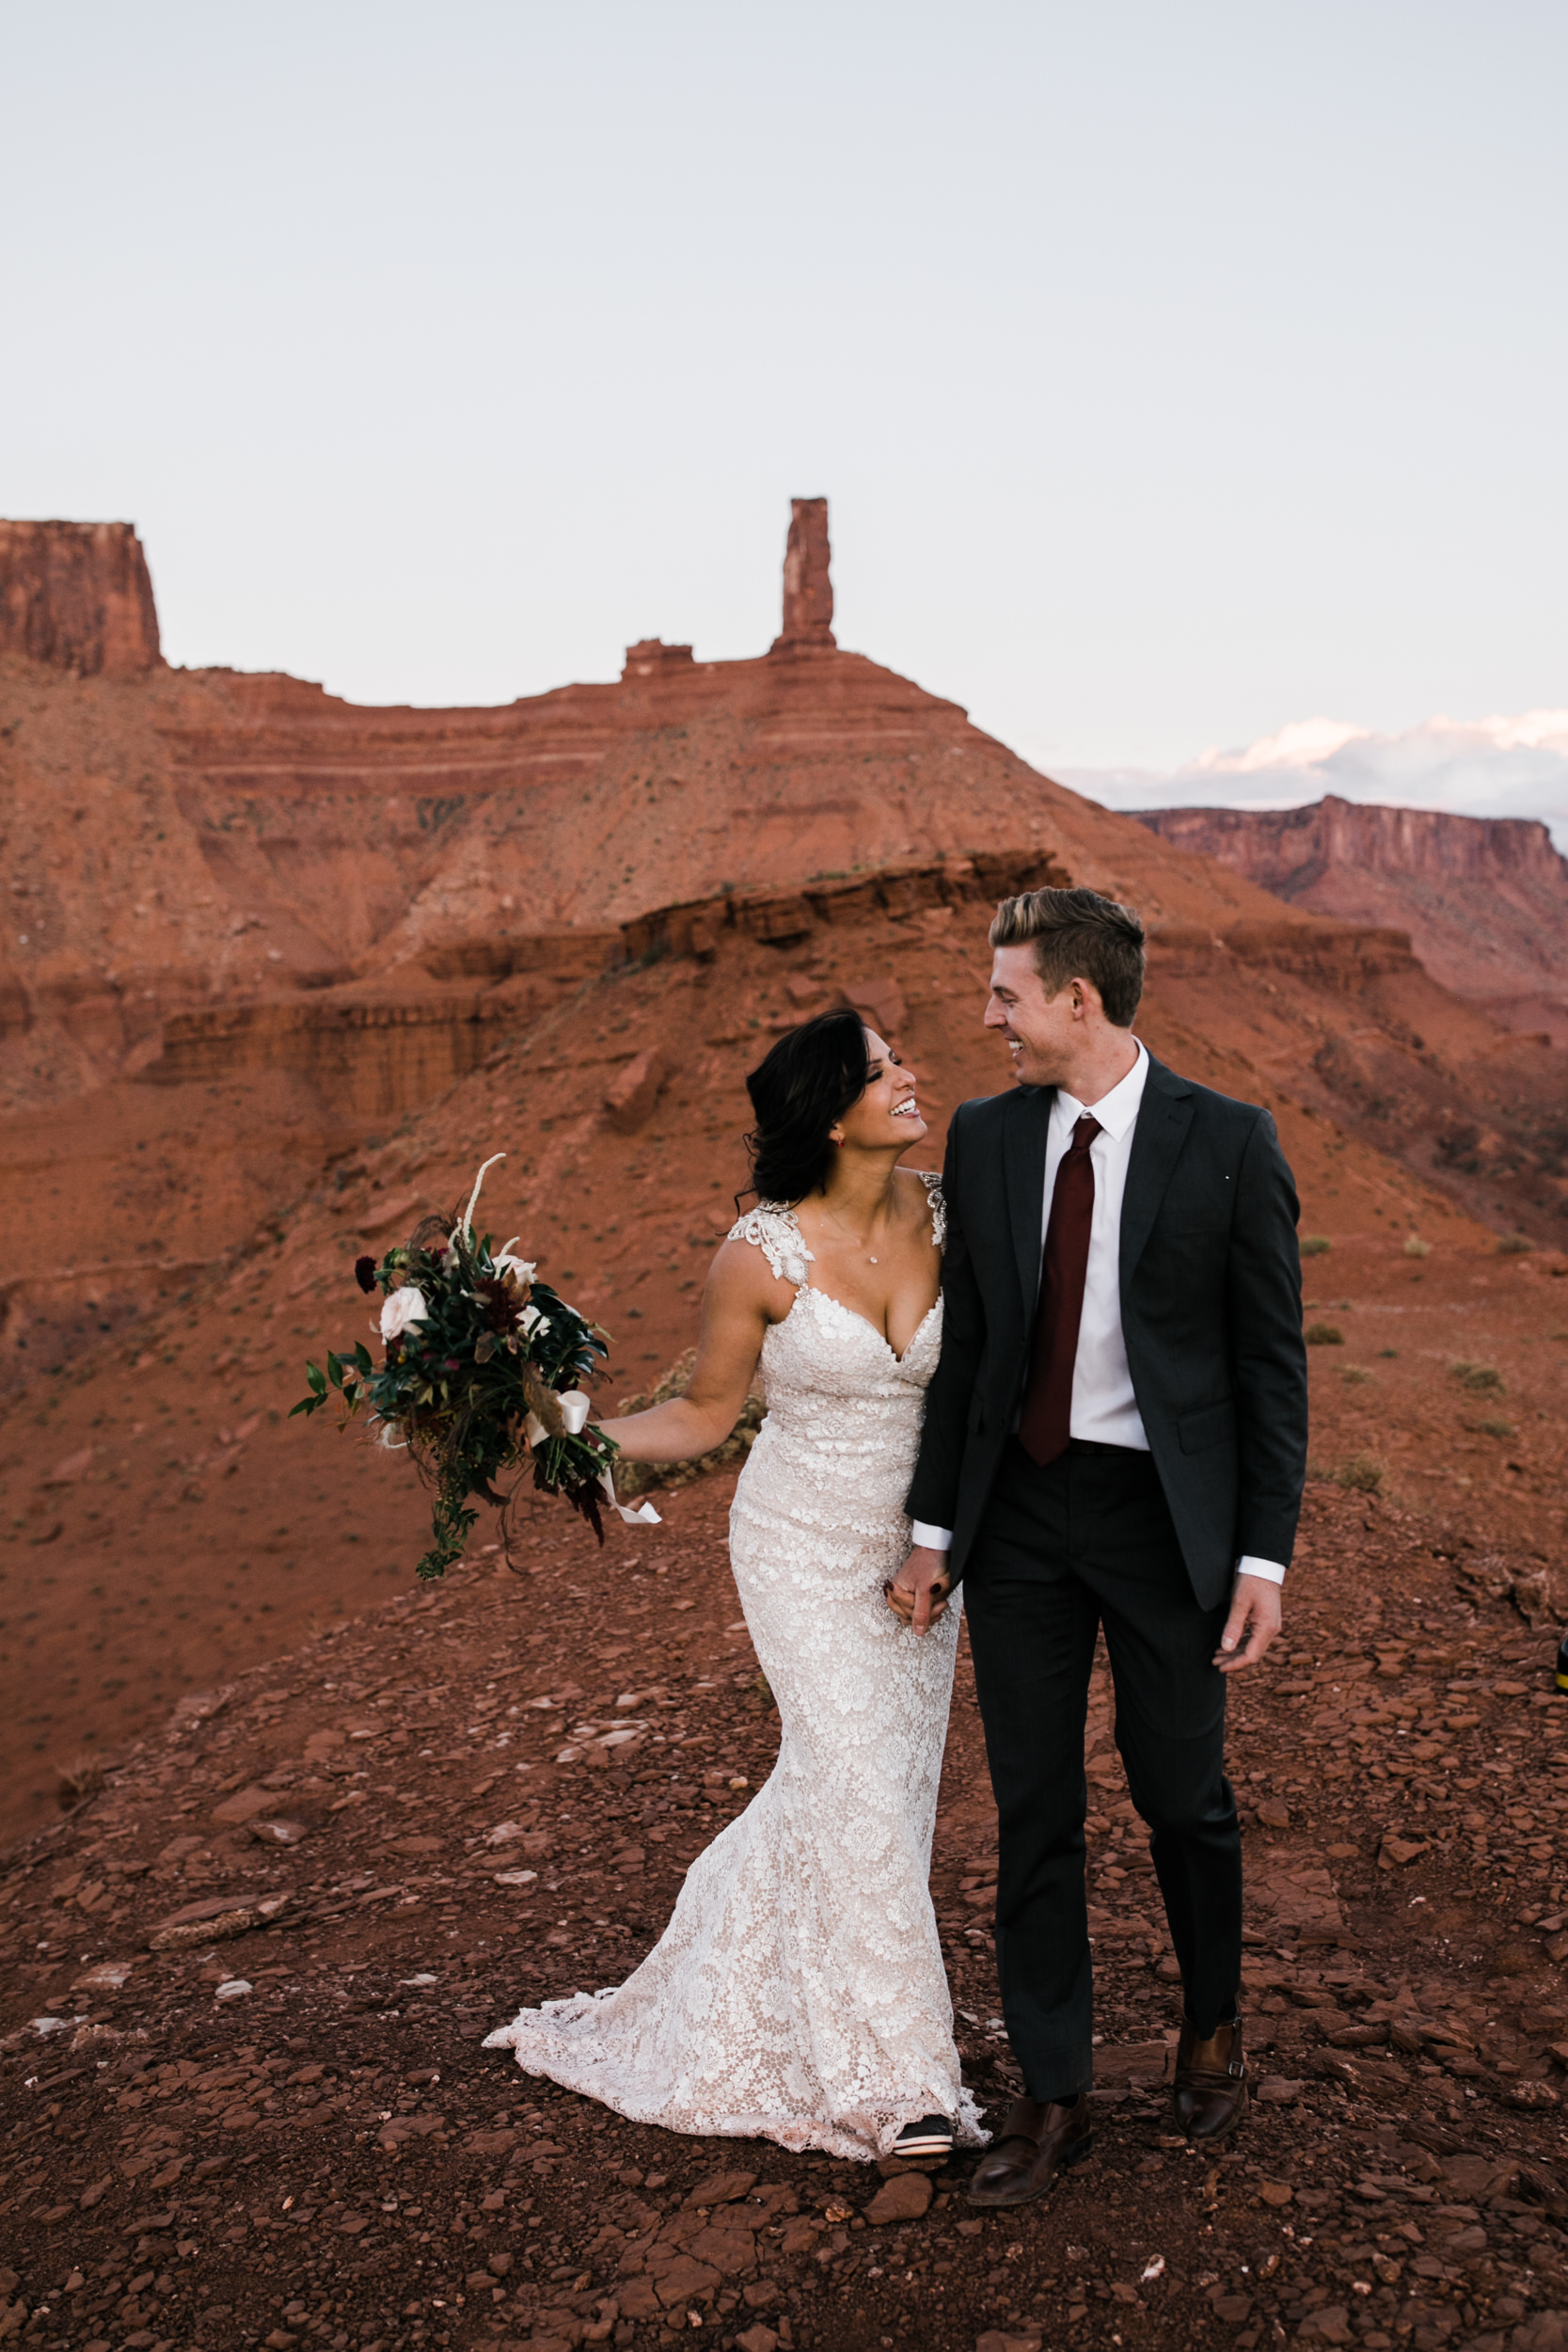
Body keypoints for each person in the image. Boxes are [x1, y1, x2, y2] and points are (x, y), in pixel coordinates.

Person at [485, 1009, 985, 2164]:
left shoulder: (955, 1210)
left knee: (875, 1795)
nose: (911, 1076)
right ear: (826, 1111)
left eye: (900, 1056)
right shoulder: (757, 1254)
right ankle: (902, 2086)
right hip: (798, 1546)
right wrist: (579, 1435)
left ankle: (742, 1980)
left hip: (923, 1547)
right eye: (880, 1069)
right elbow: (709, 1412)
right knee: (853, 1778)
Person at [890, 884, 1307, 2208]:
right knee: (1031, 1810)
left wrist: (1261, 1559)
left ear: (1078, 999)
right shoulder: (986, 1136)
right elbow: (970, 1356)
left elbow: (1267, 1369)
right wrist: (931, 1529)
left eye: (1005, 994)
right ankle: (1053, 2091)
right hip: (1016, 1520)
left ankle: (1208, 2024)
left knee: (1180, 1794)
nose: (986, 1017)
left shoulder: (1229, 1141)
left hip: (1161, 1527)